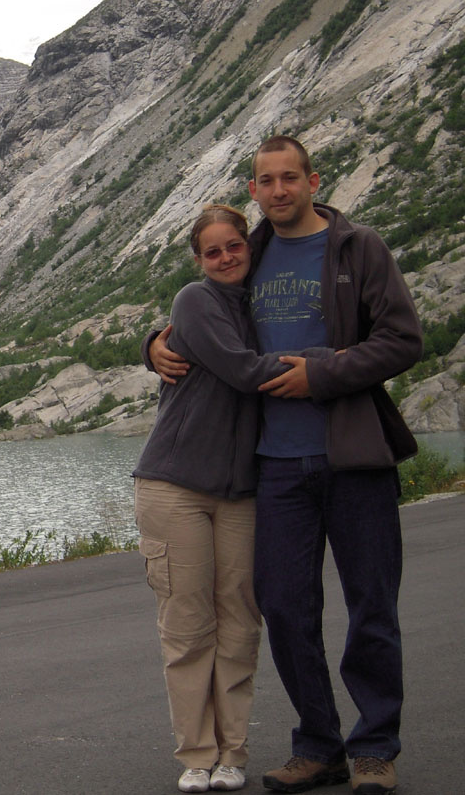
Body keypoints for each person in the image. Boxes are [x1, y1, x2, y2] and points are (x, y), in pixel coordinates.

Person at [149, 136, 422, 795]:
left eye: (289, 178)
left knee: (371, 606)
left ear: (312, 180)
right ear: (254, 191)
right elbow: (204, 315)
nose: (278, 191)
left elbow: (402, 339)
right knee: (285, 609)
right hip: (274, 465)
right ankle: (320, 743)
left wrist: (323, 375)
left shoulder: (359, 249)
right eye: (265, 181)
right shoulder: (251, 251)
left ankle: (375, 749)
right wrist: (151, 344)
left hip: (353, 455)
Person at [134, 204, 333, 793]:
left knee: (240, 623)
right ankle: (198, 753)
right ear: (198, 259)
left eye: (233, 246)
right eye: (212, 250)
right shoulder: (194, 301)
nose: (225, 257)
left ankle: (234, 752)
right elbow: (244, 371)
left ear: (248, 247)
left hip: (243, 490)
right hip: (174, 486)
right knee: (188, 625)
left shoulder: (264, 303)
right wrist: (330, 367)